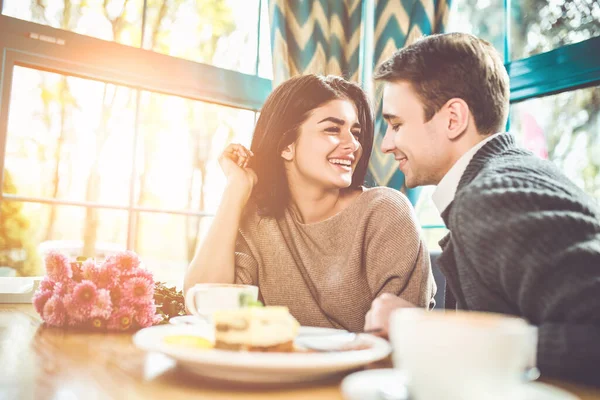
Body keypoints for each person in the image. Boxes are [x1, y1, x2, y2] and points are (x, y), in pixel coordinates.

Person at [364, 32, 600, 385]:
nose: (385, 144)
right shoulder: (503, 179)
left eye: (396, 124)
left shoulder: (494, 196)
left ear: (453, 118)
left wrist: (430, 331)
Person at [185, 74, 435, 332]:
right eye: (332, 129)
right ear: (286, 146)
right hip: (275, 369)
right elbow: (204, 307)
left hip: (364, 371)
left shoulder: (385, 212)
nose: (353, 145)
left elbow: (403, 334)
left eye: (356, 132)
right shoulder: (259, 221)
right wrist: (235, 190)